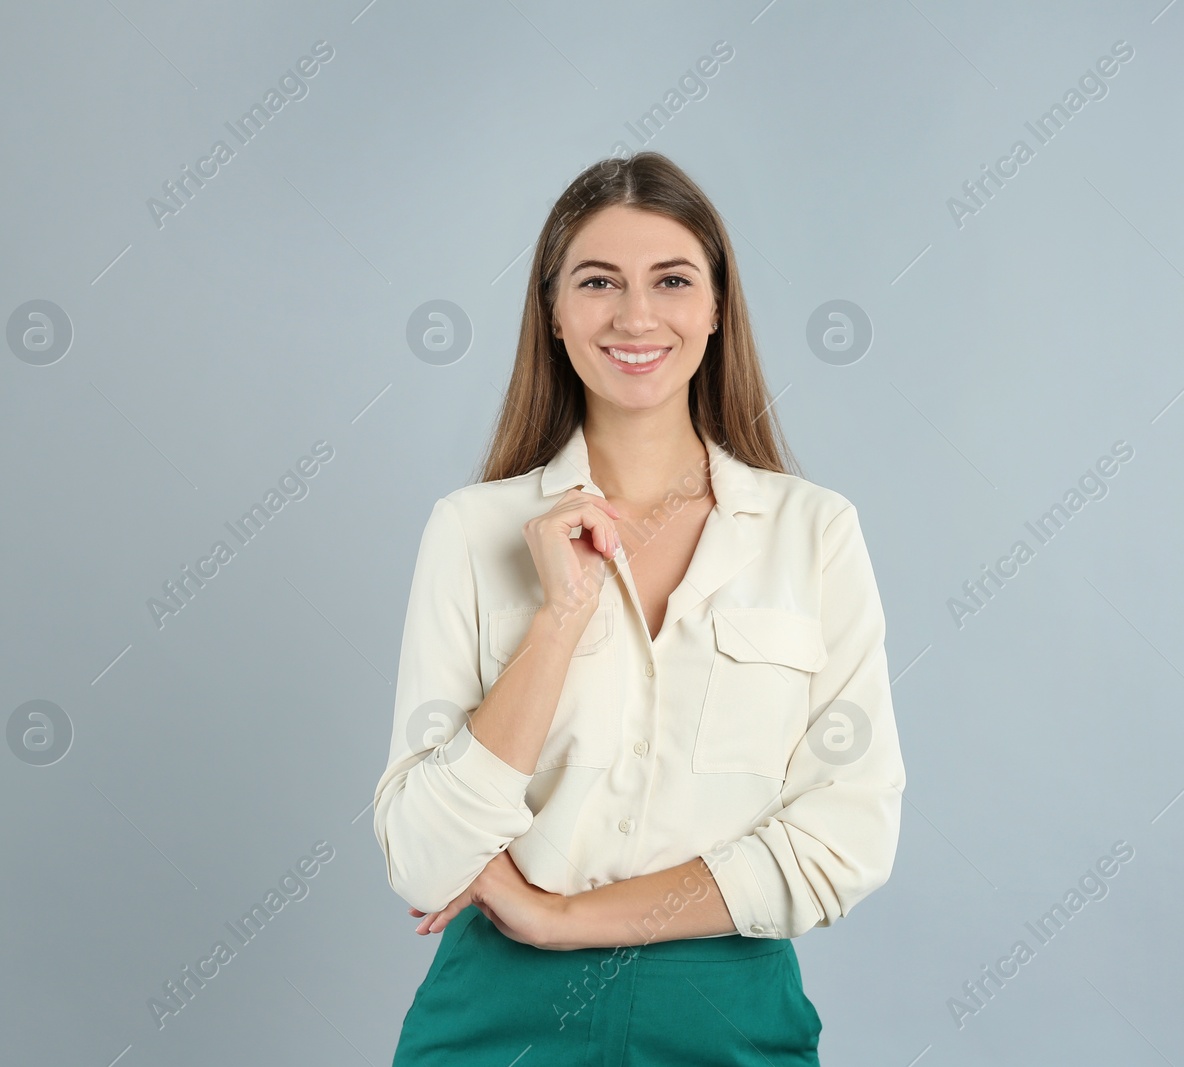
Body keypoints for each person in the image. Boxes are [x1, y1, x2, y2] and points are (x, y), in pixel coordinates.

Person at [375, 151, 905, 1065]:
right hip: (496, 1018)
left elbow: (846, 836)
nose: (635, 315)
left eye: (671, 280)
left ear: (715, 309)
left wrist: (560, 918)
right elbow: (422, 862)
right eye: (597, 281)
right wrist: (559, 616)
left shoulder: (813, 532)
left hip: (728, 1012)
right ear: (553, 311)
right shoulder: (470, 531)